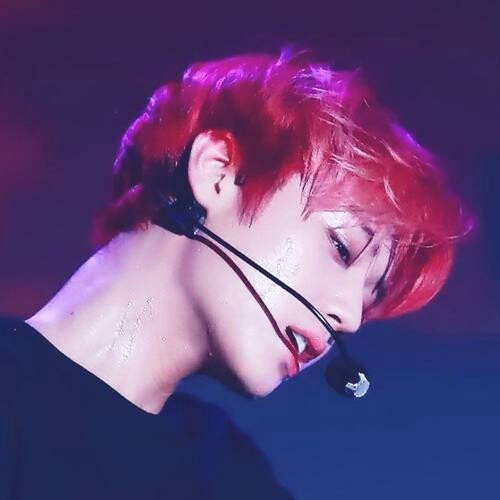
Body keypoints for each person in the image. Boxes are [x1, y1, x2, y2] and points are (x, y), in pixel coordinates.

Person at [0, 48, 472, 499]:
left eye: (369, 299)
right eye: (340, 247)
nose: (348, 317)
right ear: (218, 172)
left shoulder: (226, 472)